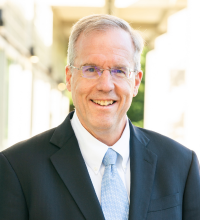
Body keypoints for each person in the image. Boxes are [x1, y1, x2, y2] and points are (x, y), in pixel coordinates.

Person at [0, 14, 200, 220]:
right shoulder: (17, 168)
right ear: (69, 78)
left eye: (119, 71)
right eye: (91, 69)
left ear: (136, 82)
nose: (105, 85)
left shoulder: (182, 165)